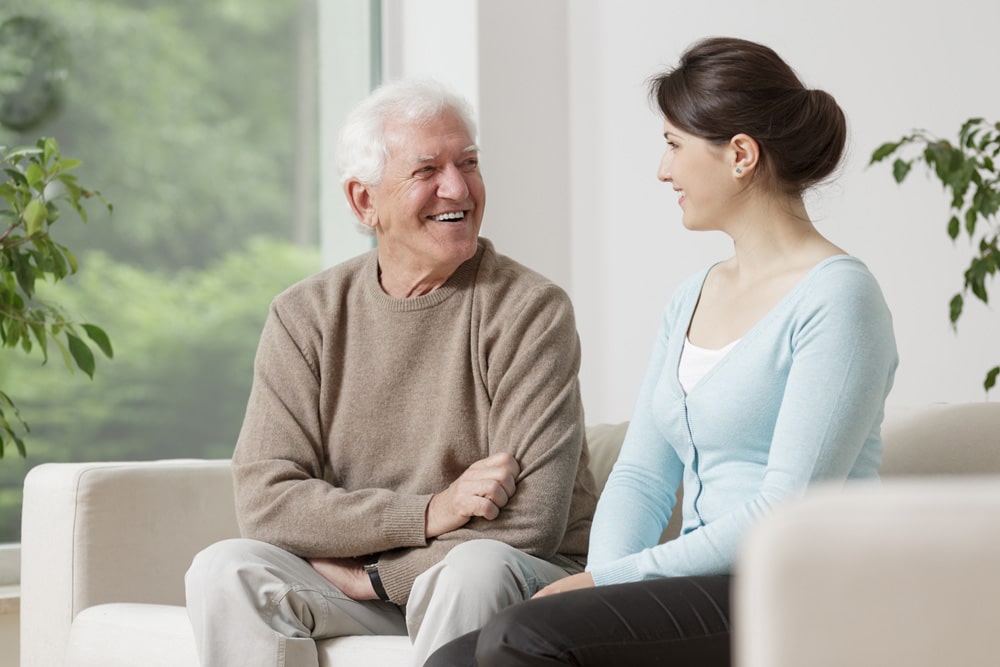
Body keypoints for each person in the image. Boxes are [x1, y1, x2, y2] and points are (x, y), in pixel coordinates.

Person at [425, 36, 898, 667]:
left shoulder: (839, 298)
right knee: (455, 659)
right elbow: (644, 478)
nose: (662, 169)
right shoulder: (691, 297)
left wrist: (603, 588)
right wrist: (596, 595)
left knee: (523, 638)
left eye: (674, 145)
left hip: (790, 588)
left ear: (740, 156)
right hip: (695, 587)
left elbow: (785, 510)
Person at [184, 78, 598, 667]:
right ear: (363, 202)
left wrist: (373, 578)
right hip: (384, 570)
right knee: (227, 568)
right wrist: (429, 511)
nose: (457, 187)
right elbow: (267, 503)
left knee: (473, 571)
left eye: (469, 163)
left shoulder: (529, 309)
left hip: (511, 576)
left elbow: (527, 525)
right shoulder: (305, 315)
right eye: (427, 169)